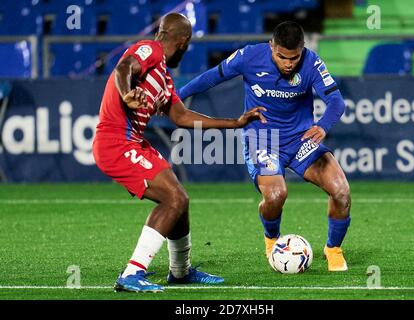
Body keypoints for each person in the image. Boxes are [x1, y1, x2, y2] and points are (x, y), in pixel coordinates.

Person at [92, 13, 267, 293]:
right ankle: (132, 273)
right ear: (184, 42)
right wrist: (126, 93)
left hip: (133, 143)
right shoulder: (148, 50)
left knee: (180, 201)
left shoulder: (163, 76)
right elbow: (123, 67)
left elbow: (182, 117)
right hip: (115, 142)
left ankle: (181, 272)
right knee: (173, 198)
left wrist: (234, 122)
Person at [178, 21, 351, 272]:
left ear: (302, 50)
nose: (289, 63)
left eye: (294, 57)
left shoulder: (312, 62)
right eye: (282, 57)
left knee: (342, 192)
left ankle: (333, 249)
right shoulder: (249, 56)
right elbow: (212, 76)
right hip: (263, 137)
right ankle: (272, 241)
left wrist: (323, 125)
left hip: (301, 138)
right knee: (275, 195)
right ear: (272, 47)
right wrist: (176, 96)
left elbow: (336, 101)